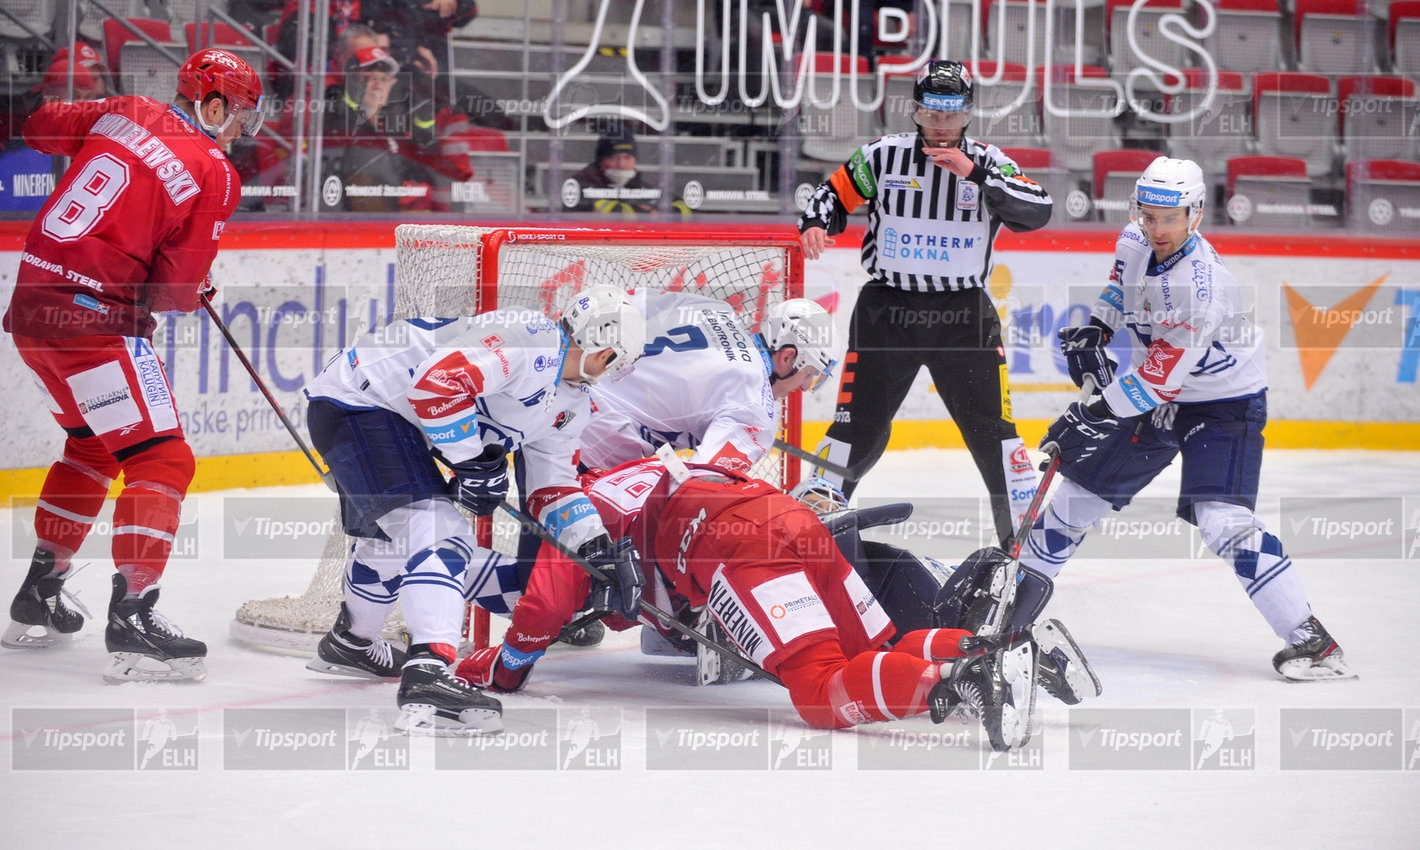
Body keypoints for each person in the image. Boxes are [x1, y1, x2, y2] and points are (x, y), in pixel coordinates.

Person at [457, 458, 1100, 750]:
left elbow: (545, 601)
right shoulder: (659, 465)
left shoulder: (579, 504)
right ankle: (997, 649)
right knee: (873, 652)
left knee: (820, 693)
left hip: (740, 554)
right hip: (794, 520)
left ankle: (961, 675)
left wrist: (503, 667)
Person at [1027, 156, 1354, 682]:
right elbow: (1118, 289)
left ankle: (1312, 641)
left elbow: (1157, 383)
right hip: (1160, 392)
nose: (1157, 229)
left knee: (1223, 521)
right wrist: (1095, 329)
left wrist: (1091, 413)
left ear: (1195, 215)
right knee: (1076, 497)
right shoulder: (1134, 239)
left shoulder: (1201, 288)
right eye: (1148, 215)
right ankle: (1010, 619)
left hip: (1225, 403)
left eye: (1170, 218)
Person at [1, 49, 265, 683]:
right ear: (216, 104)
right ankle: (134, 617)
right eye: (240, 119)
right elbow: (174, 295)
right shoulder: (216, 171)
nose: (240, 133)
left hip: (34, 309)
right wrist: (192, 281)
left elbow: (39, 128)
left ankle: (41, 589)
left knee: (90, 447)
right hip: (97, 320)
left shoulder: (125, 110)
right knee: (163, 458)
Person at [300, 286, 649, 735]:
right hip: (360, 403)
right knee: (442, 536)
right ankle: (429, 674)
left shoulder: (570, 402)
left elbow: (552, 487)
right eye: (616, 361)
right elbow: (437, 383)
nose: (610, 372)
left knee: (395, 540)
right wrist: (471, 461)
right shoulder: (527, 337)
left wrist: (595, 547)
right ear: (604, 350)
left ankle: (351, 642)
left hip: (394, 421)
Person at [798, 59, 1053, 549]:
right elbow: (830, 196)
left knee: (992, 431)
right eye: (931, 110)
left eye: (950, 112)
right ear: (915, 110)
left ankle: (1018, 544)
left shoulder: (989, 160)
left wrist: (976, 175)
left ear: (966, 114)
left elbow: (1038, 209)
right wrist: (816, 223)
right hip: (887, 312)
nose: (940, 122)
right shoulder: (883, 156)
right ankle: (817, 524)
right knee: (859, 423)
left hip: (963, 318)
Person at [580, 293, 837, 476]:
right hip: (590, 457)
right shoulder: (755, 408)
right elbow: (698, 486)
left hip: (561, 397)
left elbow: (618, 303)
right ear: (788, 357)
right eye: (809, 374)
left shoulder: (713, 308)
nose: (804, 388)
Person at [564, 122, 687, 218]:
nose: (621, 164)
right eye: (613, 157)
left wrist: (666, 212)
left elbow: (686, 208)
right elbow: (606, 213)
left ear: (635, 160)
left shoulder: (642, 187)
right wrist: (648, 214)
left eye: (627, 157)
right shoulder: (580, 186)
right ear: (600, 160)